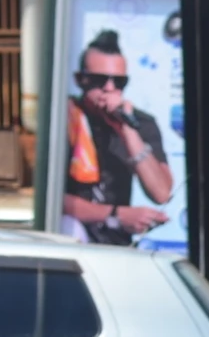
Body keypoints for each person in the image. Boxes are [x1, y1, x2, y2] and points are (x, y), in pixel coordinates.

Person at [61, 30, 172, 246]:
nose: (109, 88)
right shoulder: (64, 117)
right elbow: (51, 199)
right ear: (80, 79)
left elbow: (161, 193)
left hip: (115, 243)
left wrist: (127, 130)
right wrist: (115, 214)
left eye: (119, 82)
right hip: (70, 236)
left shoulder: (140, 123)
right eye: (99, 80)